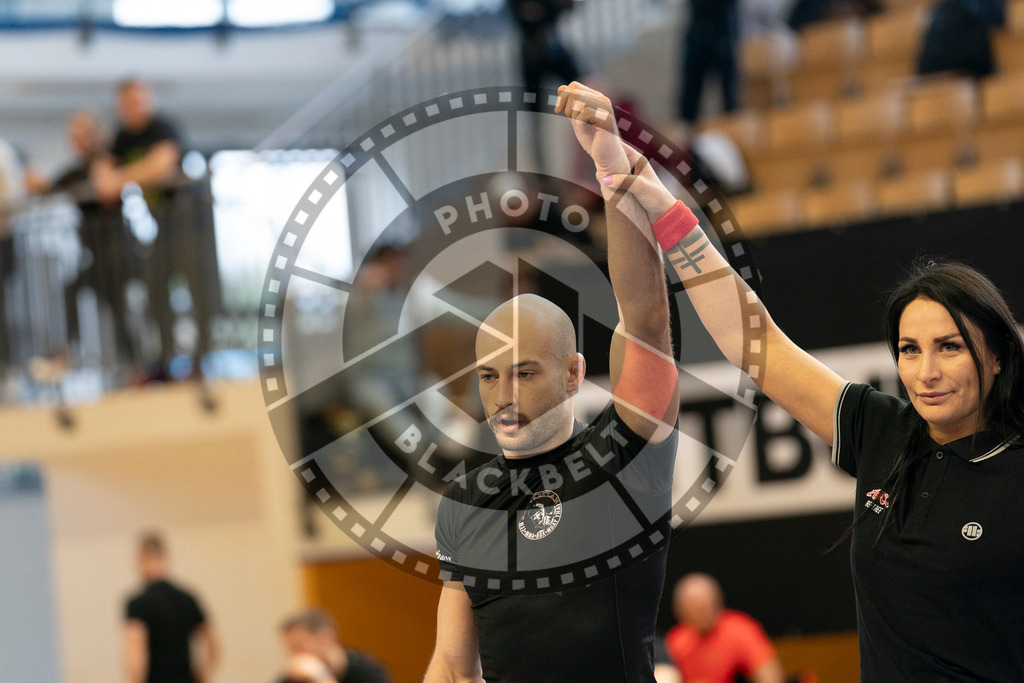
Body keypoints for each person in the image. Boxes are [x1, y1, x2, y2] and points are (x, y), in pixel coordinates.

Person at [562, 81, 1024, 680]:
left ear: (993, 357)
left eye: (950, 348)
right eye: (909, 349)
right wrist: (663, 206)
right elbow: (753, 343)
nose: (926, 371)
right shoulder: (882, 430)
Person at [424, 78, 681, 682]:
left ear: (573, 375)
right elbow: (455, 669)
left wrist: (611, 165)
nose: (503, 397)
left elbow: (646, 320)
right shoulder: (465, 501)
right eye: (489, 377)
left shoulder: (626, 455)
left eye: (524, 373)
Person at [93, 78, 210, 381]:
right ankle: (164, 363)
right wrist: (121, 176)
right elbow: (102, 175)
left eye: (140, 100)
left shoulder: (163, 127)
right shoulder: (122, 138)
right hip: (160, 225)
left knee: (197, 291)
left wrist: (122, 178)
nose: (135, 107)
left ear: (150, 100)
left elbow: (162, 165)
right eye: (128, 102)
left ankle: (201, 363)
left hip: (188, 221)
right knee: (157, 293)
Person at [43, 110, 139, 371]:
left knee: (118, 310)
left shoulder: (109, 162)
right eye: (74, 135)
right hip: (95, 255)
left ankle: (135, 366)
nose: (79, 140)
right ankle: (67, 354)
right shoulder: (75, 172)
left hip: (117, 251)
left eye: (83, 134)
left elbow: (108, 193)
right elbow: (50, 187)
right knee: (73, 292)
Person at [124, 531, 219, 683]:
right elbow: (214, 645)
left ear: (141, 560)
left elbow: (135, 652)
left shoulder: (138, 603)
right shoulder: (187, 598)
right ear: (164, 557)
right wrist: (202, 677)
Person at [665, 573, 784, 683]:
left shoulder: (740, 630)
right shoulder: (675, 640)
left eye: (707, 606)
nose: (704, 614)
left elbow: (770, 675)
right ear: (680, 612)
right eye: (696, 609)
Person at [277, 608, 390, 683]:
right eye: (290, 649)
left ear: (326, 637)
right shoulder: (297, 676)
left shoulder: (368, 673)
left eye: (299, 647)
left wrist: (321, 676)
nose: (295, 657)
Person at [679, 0, 740, 124]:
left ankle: (732, 132)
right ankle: (688, 135)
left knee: (729, 96)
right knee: (690, 96)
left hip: (722, 31)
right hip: (698, 29)